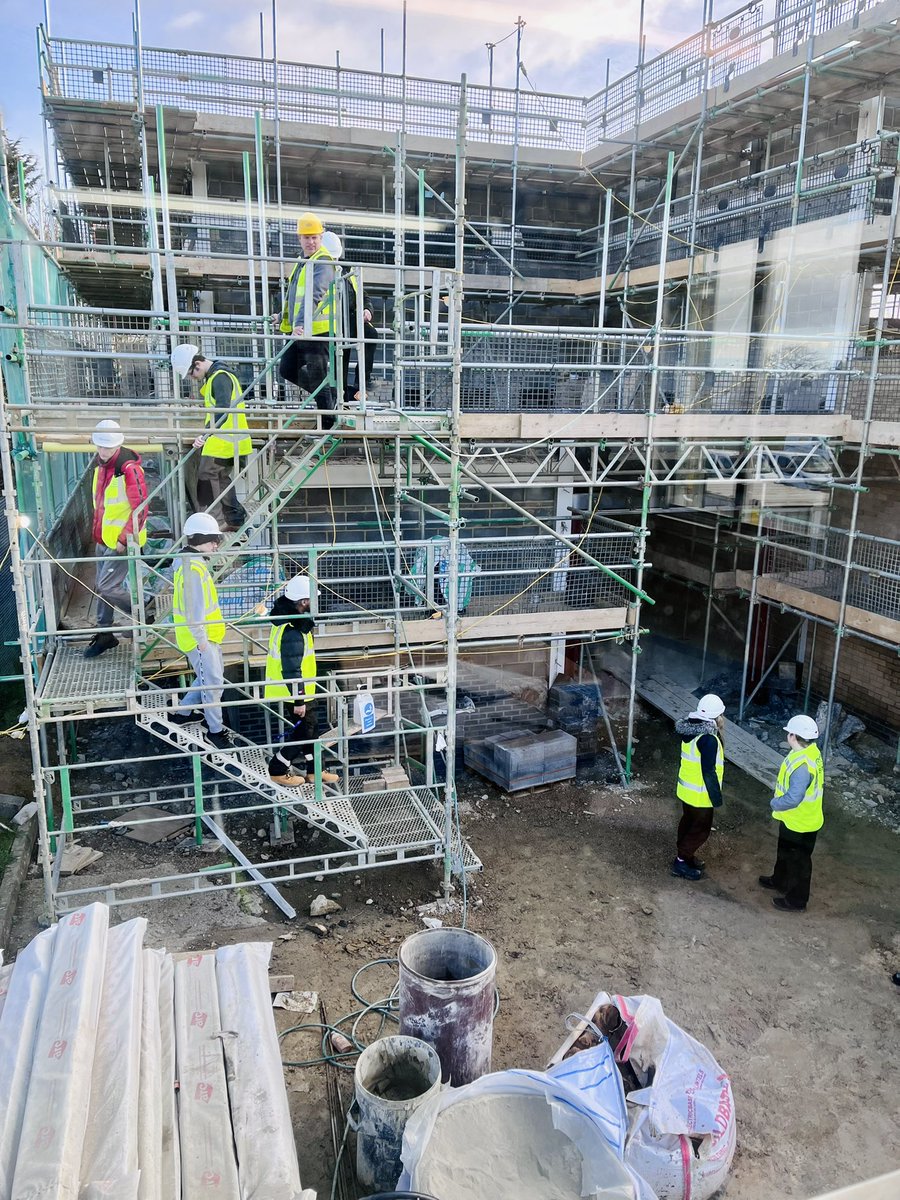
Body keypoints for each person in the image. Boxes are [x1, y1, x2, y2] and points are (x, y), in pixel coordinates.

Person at [263, 573, 339, 787]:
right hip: (295, 691)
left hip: (300, 689)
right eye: (312, 600)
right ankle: (278, 768)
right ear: (303, 602)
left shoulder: (291, 622)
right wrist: (299, 701)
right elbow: (292, 669)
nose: (315, 604)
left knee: (311, 730)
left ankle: (315, 770)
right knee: (304, 732)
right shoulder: (292, 630)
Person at [84, 419, 148, 659]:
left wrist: (124, 538)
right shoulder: (102, 465)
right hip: (104, 538)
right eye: (100, 446)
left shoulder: (128, 468)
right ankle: (104, 634)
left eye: (107, 448)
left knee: (106, 586)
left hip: (122, 541)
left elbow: (140, 508)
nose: (103, 451)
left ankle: (142, 613)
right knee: (102, 589)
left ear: (118, 446)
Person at [171, 344, 251, 532]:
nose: (192, 378)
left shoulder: (219, 378)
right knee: (221, 478)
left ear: (198, 364)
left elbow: (222, 410)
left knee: (207, 476)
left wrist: (205, 434)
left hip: (225, 441)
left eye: (191, 373)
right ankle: (234, 517)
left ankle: (216, 521)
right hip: (229, 440)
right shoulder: (218, 377)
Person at [170, 512, 230, 749]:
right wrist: (201, 640)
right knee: (212, 684)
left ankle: (182, 714)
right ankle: (214, 731)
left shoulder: (191, 564)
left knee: (211, 679)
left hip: (206, 637)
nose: (216, 545)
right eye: (213, 540)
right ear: (201, 539)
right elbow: (194, 610)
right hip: (200, 639)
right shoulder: (192, 569)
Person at [279, 212, 339, 427]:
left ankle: (328, 423)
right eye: (307, 237)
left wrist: (301, 323)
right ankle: (329, 396)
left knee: (317, 375)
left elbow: (315, 293)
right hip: (302, 329)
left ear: (321, 237)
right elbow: (295, 295)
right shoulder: (302, 261)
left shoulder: (322, 261)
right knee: (287, 369)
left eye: (315, 237)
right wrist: (283, 316)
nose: (311, 241)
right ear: (300, 238)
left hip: (316, 330)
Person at [759, 713, 824, 912]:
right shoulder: (808, 753)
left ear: (793, 737)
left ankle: (796, 900)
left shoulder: (802, 766)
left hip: (800, 822)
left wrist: (775, 803)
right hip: (795, 819)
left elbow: (794, 797)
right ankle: (780, 881)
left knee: (799, 863)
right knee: (785, 853)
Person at [672, 693, 725, 880]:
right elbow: (708, 770)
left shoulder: (690, 731)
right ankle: (680, 862)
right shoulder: (708, 739)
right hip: (701, 794)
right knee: (700, 830)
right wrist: (716, 797)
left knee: (688, 823)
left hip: (687, 790)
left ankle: (685, 857)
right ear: (716, 717)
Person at [321, 231, 377, 404]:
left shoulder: (348, 271)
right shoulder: (318, 271)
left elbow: (363, 295)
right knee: (341, 359)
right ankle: (341, 396)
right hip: (331, 324)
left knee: (370, 335)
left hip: (349, 318)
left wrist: (367, 309)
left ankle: (362, 382)